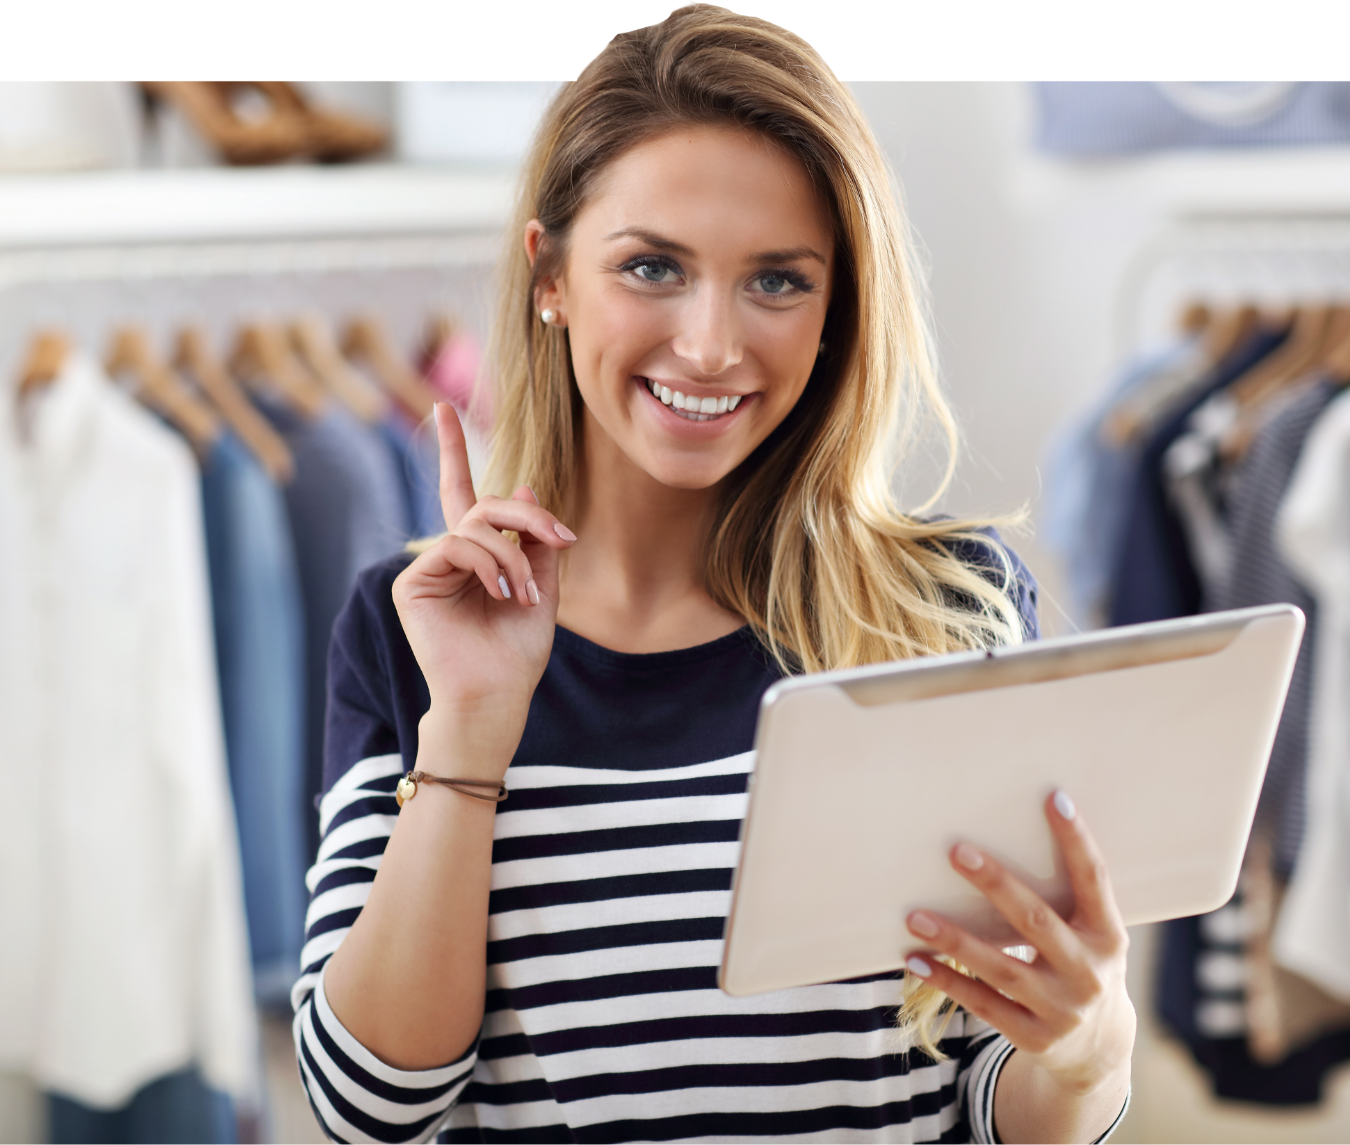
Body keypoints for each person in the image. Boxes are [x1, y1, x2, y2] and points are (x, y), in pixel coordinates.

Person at [293, 9, 1135, 1143]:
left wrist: (1084, 1058)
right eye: (652, 266)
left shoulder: (952, 607)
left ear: (838, 307)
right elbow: (369, 1107)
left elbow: (995, 1107)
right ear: (549, 275)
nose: (709, 344)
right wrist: (472, 736)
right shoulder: (414, 629)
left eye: (777, 282)